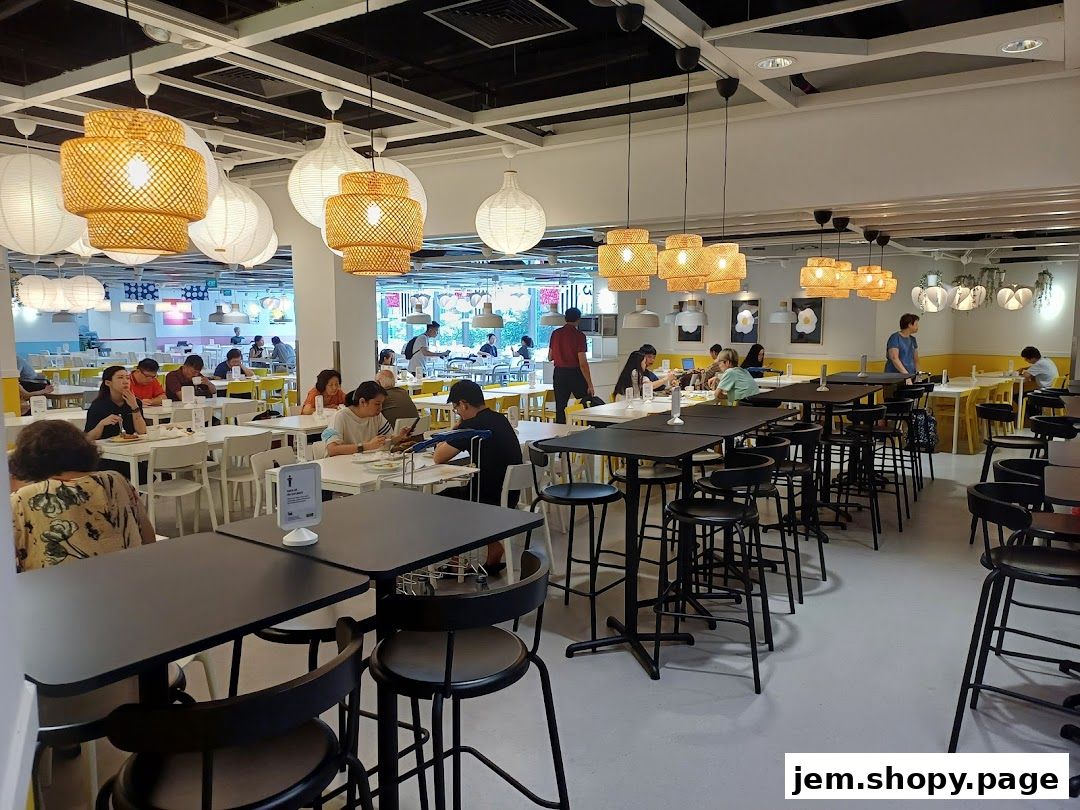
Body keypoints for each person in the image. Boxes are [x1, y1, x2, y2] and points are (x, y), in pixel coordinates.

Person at [9, 421, 155, 572]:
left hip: (56, 591)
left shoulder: (22, 500)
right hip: (128, 581)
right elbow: (148, 537)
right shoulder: (115, 480)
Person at [433, 380, 523, 573]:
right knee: (461, 491)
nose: (457, 412)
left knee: (440, 501)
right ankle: (493, 549)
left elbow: (438, 457)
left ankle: (455, 562)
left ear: (464, 404)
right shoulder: (500, 418)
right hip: (509, 494)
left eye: (457, 408)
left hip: (486, 497)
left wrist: (458, 427)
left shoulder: (472, 427)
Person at [321, 381, 411, 456]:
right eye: (377, 404)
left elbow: (385, 440)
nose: (381, 408)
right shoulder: (341, 416)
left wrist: (398, 438)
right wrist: (367, 446)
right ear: (362, 402)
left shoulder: (377, 416)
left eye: (381, 404)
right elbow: (332, 449)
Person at [549, 307, 595, 424]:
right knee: (584, 402)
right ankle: (585, 427)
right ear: (578, 320)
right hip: (575, 373)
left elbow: (550, 357)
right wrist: (590, 384)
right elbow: (583, 363)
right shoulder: (579, 336)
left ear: (565, 318)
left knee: (560, 406)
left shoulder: (555, 334)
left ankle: (559, 434)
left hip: (559, 373)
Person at [85, 366, 147, 441]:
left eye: (127, 378)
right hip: (106, 448)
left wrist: (134, 407)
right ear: (108, 383)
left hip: (131, 444)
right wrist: (101, 424)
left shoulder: (135, 402)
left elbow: (142, 431)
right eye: (120, 378)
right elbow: (88, 438)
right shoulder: (98, 405)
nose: (125, 381)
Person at [886, 313, 920, 378]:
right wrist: (906, 375)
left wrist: (918, 374)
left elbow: (916, 359)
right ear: (910, 325)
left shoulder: (913, 340)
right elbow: (894, 358)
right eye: (916, 324)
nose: (918, 327)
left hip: (910, 375)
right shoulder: (895, 338)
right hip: (895, 377)